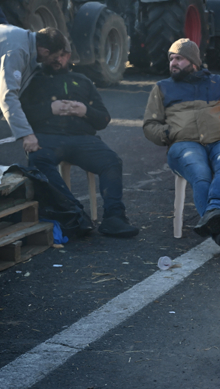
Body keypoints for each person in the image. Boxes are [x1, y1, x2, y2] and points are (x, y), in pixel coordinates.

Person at [143, 39, 220, 254]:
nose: (173, 63)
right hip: (183, 145)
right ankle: (219, 226)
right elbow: (149, 125)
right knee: (200, 172)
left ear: (193, 62)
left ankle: (216, 221)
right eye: (171, 58)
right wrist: (169, 134)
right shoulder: (162, 88)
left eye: (179, 58)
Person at [20, 44, 139, 237]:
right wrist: (50, 108)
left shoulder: (82, 80)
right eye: (54, 54)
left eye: (63, 54)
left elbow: (103, 119)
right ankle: (74, 213)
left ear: (69, 55)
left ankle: (114, 218)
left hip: (83, 138)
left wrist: (85, 111)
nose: (58, 59)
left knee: (111, 161)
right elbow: (20, 116)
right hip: (48, 138)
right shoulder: (33, 81)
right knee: (37, 161)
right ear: (44, 54)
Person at [0, 26, 70, 155]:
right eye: (54, 57)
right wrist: (27, 134)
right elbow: (7, 95)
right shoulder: (16, 50)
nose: (56, 60)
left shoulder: (26, 41)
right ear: (45, 51)